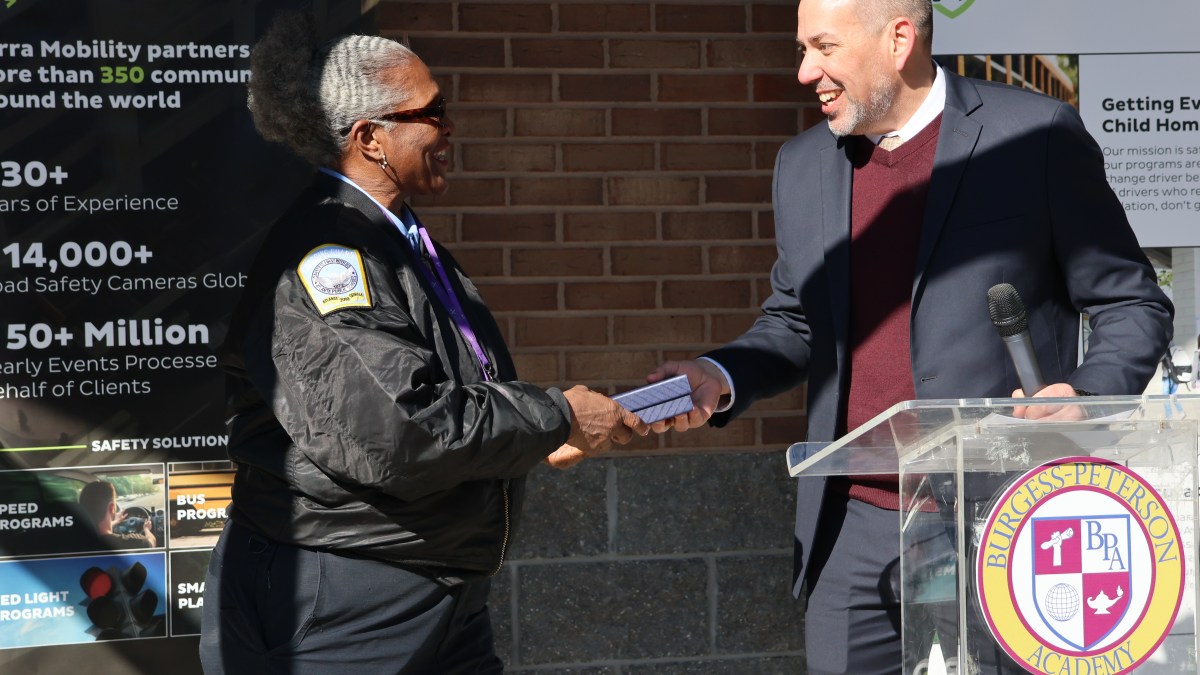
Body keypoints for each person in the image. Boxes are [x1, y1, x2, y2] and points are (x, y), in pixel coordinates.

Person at [647, 0, 1173, 673]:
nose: (807, 71)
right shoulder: (802, 165)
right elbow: (798, 321)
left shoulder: (1034, 135)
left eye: (824, 47)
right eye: (803, 49)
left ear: (899, 39)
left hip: (1005, 520)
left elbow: (1132, 303)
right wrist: (719, 375)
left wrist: (1089, 393)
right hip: (853, 530)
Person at [198, 12, 645, 674]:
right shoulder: (329, 254)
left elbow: (453, 395)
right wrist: (558, 414)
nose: (449, 125)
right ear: (370, 138)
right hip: (346, 600)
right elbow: (403, 429)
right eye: (432, 112)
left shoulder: (396, 235)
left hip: (436, 588)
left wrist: (537, 436)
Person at [78, 481, 156, 549]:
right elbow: (152, 541)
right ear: (112, 508)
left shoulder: (75, 541)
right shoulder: (133, 543)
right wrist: (146, 529)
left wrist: (117, 521)